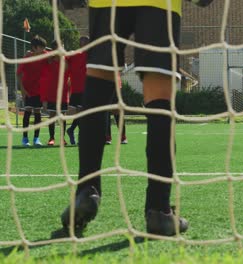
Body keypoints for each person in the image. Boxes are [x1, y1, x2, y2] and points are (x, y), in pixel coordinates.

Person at [60, 0, 214, 236]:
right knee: (158, 95)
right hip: (159, 4)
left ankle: (86, 190)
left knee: (100, 76)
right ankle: (158, 210)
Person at [16, 35, 48, 146]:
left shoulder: (44, 55)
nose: (44, 49)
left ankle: (36, 139)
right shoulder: (27, 58)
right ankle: (25, 139)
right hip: (28, 90)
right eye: (41, 47)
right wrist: (22, 89)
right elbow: (19, 74)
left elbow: (54, 54)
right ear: (34, 48)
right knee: (28, 111)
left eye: (44, 47)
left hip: (39, 89)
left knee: (38, 112)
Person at [40, 40, 71, 146]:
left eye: (62, 46)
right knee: (52, 115)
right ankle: (51, 138)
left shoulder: (67, 59)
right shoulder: (49, 60)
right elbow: (39, 53)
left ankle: (62, 138)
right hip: (52, 92)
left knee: (63, 115)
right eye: (59, 46)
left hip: (63, 92)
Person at [67, 36, 90, 145]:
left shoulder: (91, 55)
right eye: (83, 42)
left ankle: (73, 130)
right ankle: (73, 131)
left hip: (86, 89)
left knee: (83, 113)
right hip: (76, 89)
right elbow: (61, 57)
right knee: (79, 113)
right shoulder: (73, 55)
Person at [105, 74, 127, 145]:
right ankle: (107, 137)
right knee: (106, 112)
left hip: (116, 86)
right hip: (105, 85)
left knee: (118, 112)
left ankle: (123, 137)